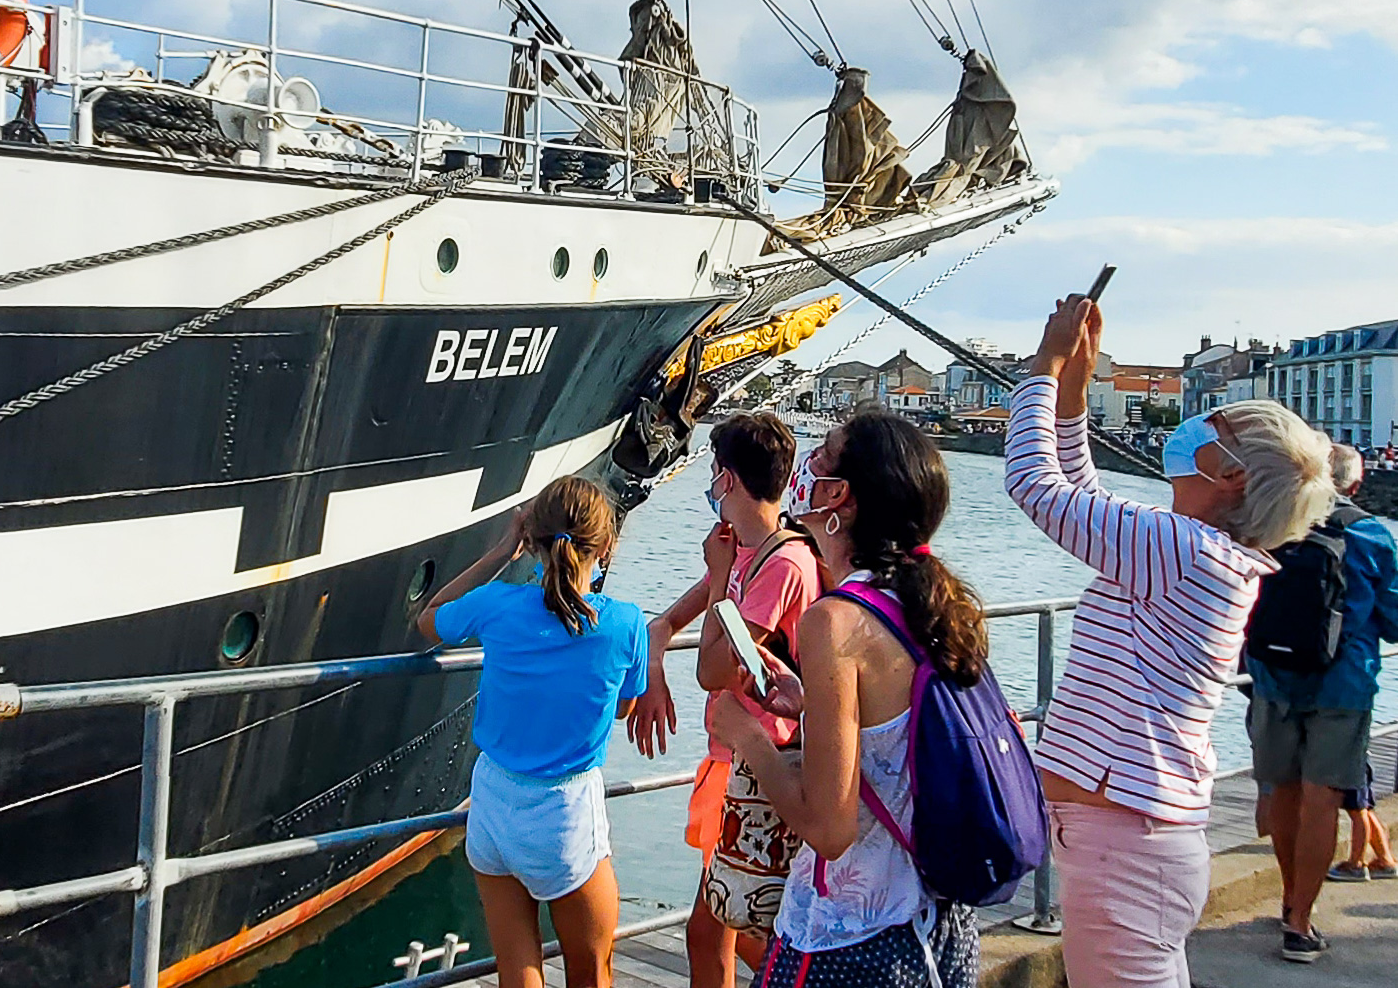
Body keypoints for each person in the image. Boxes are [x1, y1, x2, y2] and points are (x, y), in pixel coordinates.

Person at [1006, 295, 1335, 985]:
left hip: (1126, 839)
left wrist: (1044, 362)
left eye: (1210, 429)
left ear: (1230, 474)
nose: (1191, 433)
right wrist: (1072, 391)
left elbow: (1033, 485)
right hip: (1125, 835)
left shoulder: (1185, 551)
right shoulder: (1195, 551)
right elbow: (1080, 492)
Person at [708, 409, 986, 987]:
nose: (805, 468)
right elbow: (896, 732)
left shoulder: (834, 622)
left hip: (857, 938)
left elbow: (830, 829)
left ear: (841, 499)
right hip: (940, 924)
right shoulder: (930, 601)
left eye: (823, 457)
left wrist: (749, 737)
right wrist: (811, 704)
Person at [419, 476, 649, 988]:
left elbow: (429, 619)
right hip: (564, 816)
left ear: (534, 539)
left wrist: (503, 550)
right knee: (591, 971)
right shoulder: (626, 624)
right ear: (606, 544)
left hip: (493, 803)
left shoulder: (499, 605)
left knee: (517, 970)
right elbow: (623, 707)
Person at [627, 412, 819, 987]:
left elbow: (715, 669)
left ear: (728, 480)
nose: (711, 483)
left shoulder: (780, 562)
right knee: (724, 927)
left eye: (714, 471)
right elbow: (671, 621)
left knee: (735, 930)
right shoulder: (751, 549)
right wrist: (657, 653)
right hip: (732, 759)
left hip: (757, 764)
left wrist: (717, 576)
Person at [1251, 442, 1398, 952]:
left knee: (1282, 795)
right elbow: (1396, 621)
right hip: (1345, 684)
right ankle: (1300, 925)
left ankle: (1290, 898)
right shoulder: (1373, 534)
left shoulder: (1275, 523)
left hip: (1273, 677)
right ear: (1355, 485)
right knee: (1322, 802)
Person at [1328, 761, 1397, 882]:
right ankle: (1385, 861)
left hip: (1351, 761)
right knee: (1365, 810)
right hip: (1360, 762)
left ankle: (1356, 865)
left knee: (1357, 810)